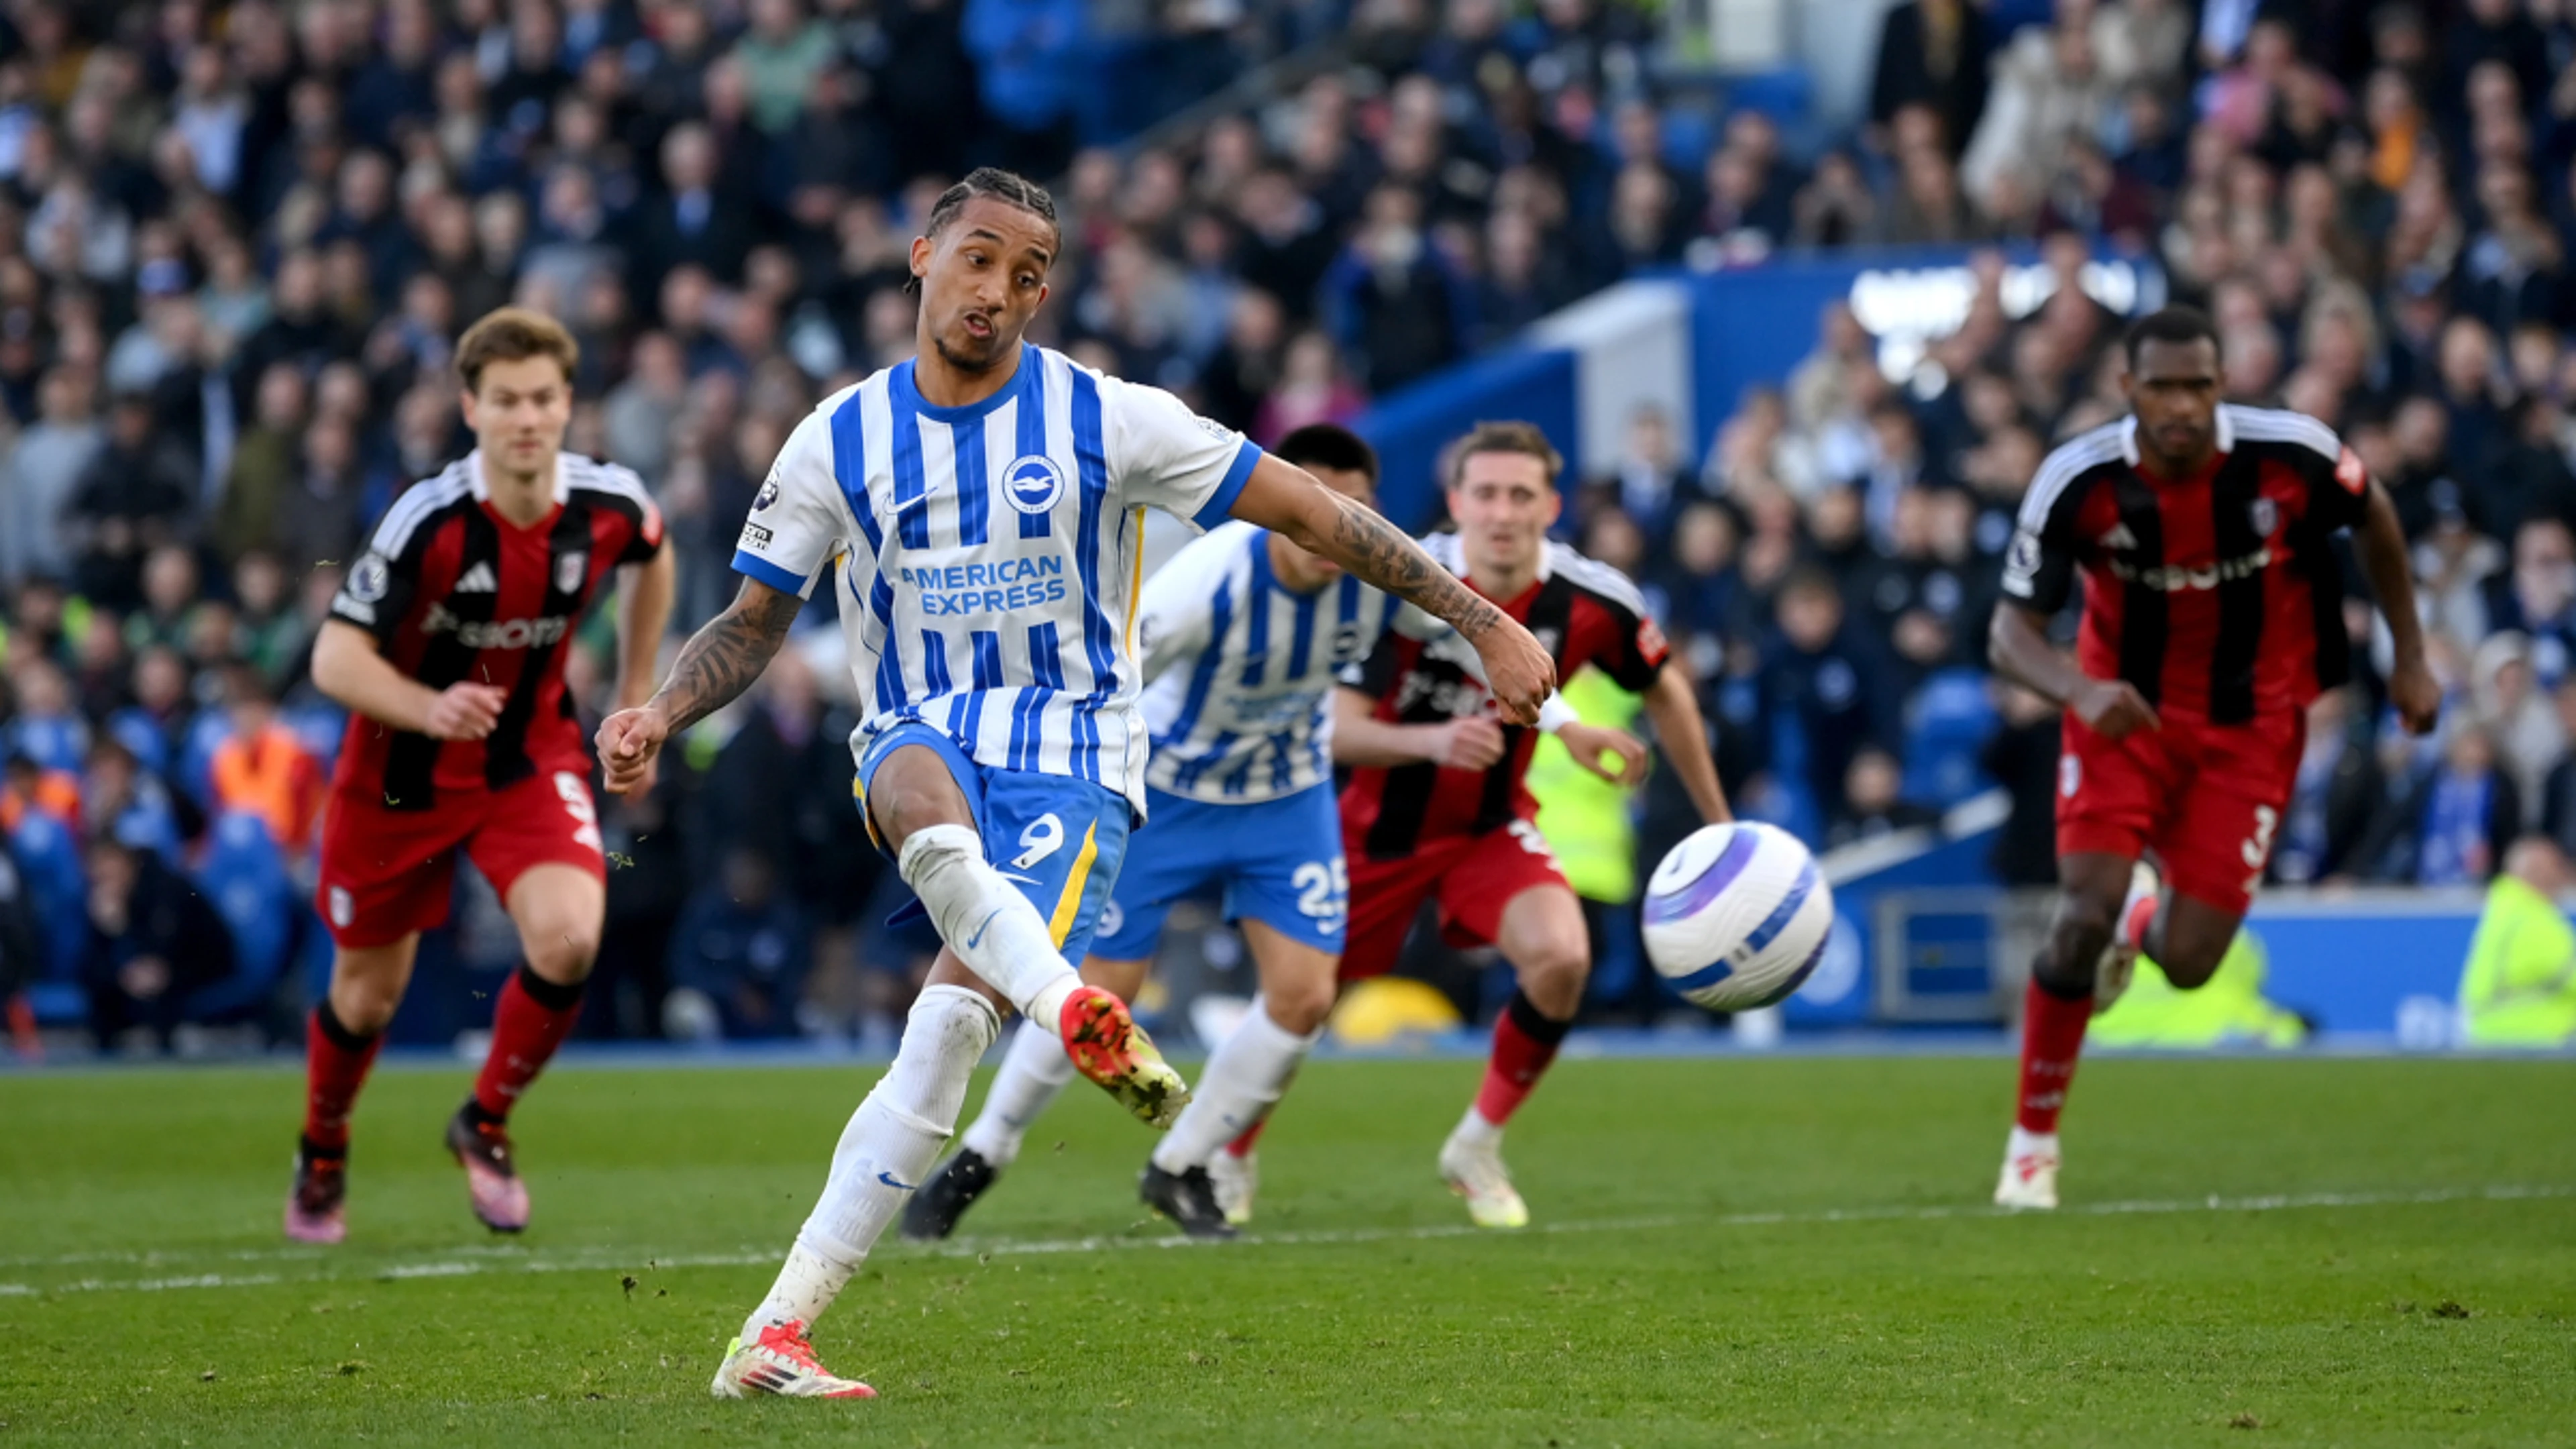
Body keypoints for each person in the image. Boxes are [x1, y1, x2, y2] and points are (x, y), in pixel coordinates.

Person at [589, 170, 1554, 1400]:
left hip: (1077, 760)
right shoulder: (836, 438)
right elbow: (751, 620)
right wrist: (662, 709)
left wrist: (1483, 623)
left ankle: (770, 1336)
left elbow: (1315, 512)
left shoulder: (1114, 419)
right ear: (924, 254)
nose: (999, 290)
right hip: (916, 734)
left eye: (1029, 274)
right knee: (921, 795)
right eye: (980, 259)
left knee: (941, 1040)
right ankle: (1073, 1011)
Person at [902, 424, 1639, 1241]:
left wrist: (1566, 724)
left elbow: (1479, 642)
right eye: (1312, 510)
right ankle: (986, 1151)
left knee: (1304, 995)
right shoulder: (1204, 586)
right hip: (1167, 793)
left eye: (1349, 512)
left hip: (1286, 798)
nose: (1330, 532)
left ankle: (1182, 1166)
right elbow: (1101, 678)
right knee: (1102, 991)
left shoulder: (1380, 573)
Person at [1986, 306, 2440, 1211]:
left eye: (2199, 384)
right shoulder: (2077, 480)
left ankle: (2144, 916)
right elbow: (2008, 633)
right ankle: (2033, 1145)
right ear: (2129, 390)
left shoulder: (2292, 456)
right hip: (2124, 714)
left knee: (2191, 963)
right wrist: (2077, 692)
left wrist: (2413, 657)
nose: (2182, 405)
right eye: (2162, 386)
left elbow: (2377, 517)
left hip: (2253, 728)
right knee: (2079, 913)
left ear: (2223, 382)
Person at [284, 307, 676, 1245]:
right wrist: (428, 709)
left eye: (543, 398)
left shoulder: (608, 503)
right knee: (366, 998)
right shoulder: (430, 520)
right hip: (396, 779)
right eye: (506, 401)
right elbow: (333, 661)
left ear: (569, 403)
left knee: (572, 939)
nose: (527, 419)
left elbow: (654, 554)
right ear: (471, 408)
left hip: (524, 760)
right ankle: (324, 1146)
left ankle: (485, 1122)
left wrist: (633, 697)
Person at [1332, 421, 1734, 1230]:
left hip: (1489, 830)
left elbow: (1666, 688)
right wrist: (1434, 743)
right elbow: (1332, 727)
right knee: (1298, 1003)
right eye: (1486, 493)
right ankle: (1222, 1155)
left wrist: (1722, 825)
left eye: (1522, 495)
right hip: (1371, 829)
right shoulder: (1397, 581)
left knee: (1561, 958)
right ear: (1456, 502)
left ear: (1552, 505)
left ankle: (1477, 1145)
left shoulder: (1595, 600)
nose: (1504, 512)